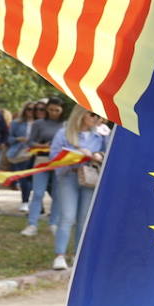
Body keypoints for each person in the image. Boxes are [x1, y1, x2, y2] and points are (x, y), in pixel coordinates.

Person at [48, 107, 108, 270]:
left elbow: (109, 153)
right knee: (67, 216)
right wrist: (75, 154)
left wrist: (98, 156)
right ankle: (59, 255)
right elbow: (53, 157)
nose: (97, 119)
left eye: (99, 116)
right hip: (68, 176)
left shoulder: (102, 134)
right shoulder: (64, 133)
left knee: (84, 218)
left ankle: (78, 255)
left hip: (90, 177)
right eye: (93, 114)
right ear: (81, 114)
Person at [19, 98, 67, 236]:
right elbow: (30, 142)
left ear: (62, 110)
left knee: (58, 195)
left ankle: (53, 223)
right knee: (38, 193)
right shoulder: (38, 123)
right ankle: (32, 224)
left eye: (57, 110)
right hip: (41, 160)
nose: (53, 112)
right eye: (51, 109)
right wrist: (41, 145)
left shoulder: (66, 125)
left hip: (59, 163)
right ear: (47, 109)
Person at [5, 101, 40, 206]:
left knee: (36, 180)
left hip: (37, 153)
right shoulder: (16, 123)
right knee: (24, 178)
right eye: (29, 109)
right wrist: (18, 139)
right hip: (21, 153)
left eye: (34, 109)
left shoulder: (40, 123)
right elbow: (8, 139)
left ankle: (38, 204)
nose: (31, 112)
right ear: (24, 110)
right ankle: (25, 202)